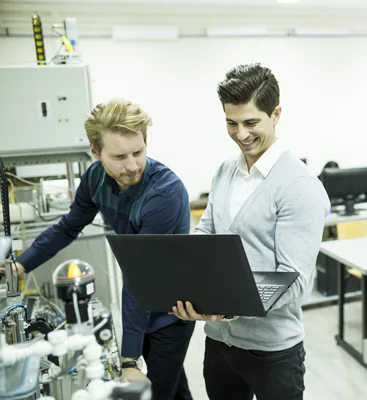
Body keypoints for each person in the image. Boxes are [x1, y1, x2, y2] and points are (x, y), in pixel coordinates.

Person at [0, 100, 194, 400]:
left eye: (138, 153)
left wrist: (129, 361)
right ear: (95, 151)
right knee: (174, 390)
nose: (131, 165)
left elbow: (140, 273)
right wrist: (21, 265)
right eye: (119, 156)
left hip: (172, 310)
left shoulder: (164, 192)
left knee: (155, 394)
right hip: (140, 302)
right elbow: (67, 228)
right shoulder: (94, 178)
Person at [171, 63, 330, 400]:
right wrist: (187, 283)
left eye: (250, 123)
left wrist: (228, 305)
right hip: (218, 341)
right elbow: (207, 234)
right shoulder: (225, 171)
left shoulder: (300, 186)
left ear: (276, 114)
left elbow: (294, 280)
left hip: (272, 352)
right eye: (231, 123)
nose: (240, 134)